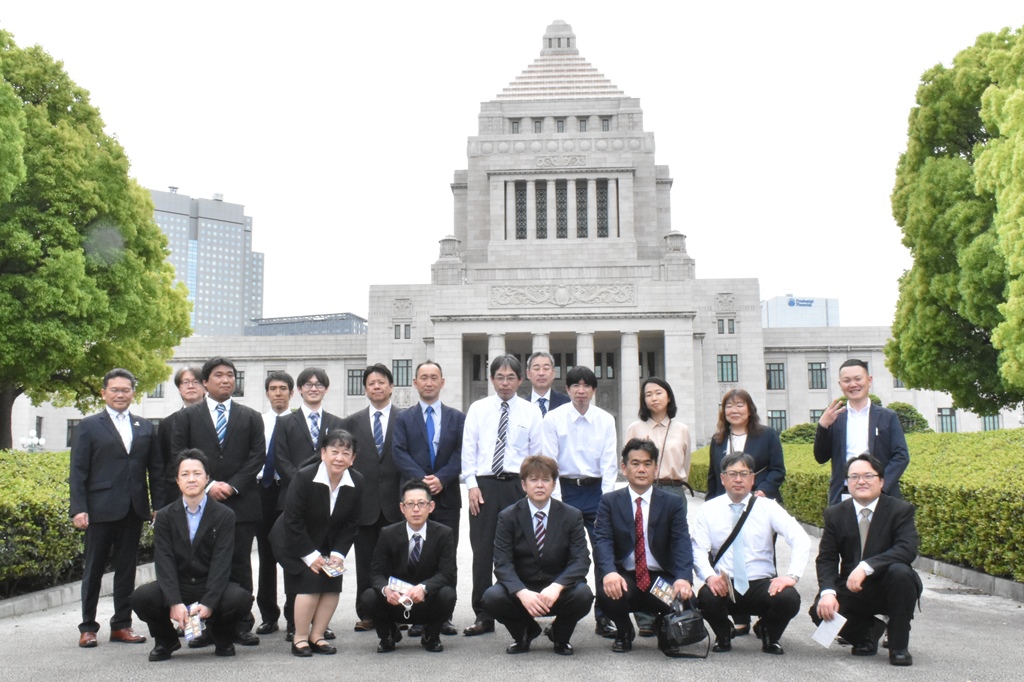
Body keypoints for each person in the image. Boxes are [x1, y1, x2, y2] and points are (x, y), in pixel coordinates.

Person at [171, 357, 266, 646]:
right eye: (219, 375)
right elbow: (178, 454)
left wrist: (233, 486)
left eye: (230, 375)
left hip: (242, 503)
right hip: (199, 504)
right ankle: (202, 628)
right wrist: (209, 484)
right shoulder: (187, 417)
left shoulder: (251, 416)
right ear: (205, 382)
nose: (226, 380)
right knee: (202, 567)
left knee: (240, 564)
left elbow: (257, 456)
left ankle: (242, 624)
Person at [70, 368, 165, 648]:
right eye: (115, 390)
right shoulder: (89, 426)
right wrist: (78, 508)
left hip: (134, 509)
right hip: (99, 509)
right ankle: (88, 627)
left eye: (126, 390)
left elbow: (156, 470)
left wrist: (158, 506)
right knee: (94, 569)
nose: (120, 394)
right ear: (104, 393)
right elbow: (78, 471)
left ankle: (121, 625)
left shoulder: (145, 426)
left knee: (126, 570)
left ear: (133, 393)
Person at [131, 451, 254, 661]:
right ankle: (166, 640)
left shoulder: (224, 515)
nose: (191, 479)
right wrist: (174, 601)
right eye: (185, 474)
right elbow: (164, 561)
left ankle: (221, 635)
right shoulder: (165, 517)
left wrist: (209, 602)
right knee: (141, 597)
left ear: (207, 478)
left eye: (197, 473)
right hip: (179, 583)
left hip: (209, 582)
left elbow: (222, 561)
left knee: (240, 599)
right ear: (177, 480)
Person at [691, 452, 809, 655]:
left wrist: (792, 576)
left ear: (752, 478)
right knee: (705, 597)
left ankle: (769, 633)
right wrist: (710, 577)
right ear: (723, 478)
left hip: (761, 583)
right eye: (732, 473)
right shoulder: (708, 509)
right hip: (726, 583)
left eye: (744, 474)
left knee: (789, 598)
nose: (738, 479)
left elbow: (800, 538)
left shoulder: (768, 507)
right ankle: (724, 634)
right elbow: (697, 549)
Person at [811, 454, 922, 666]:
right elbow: (827, 558)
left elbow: (906, 549)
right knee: (821, 612)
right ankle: (866, 635)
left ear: (881, 481)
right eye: (854, 477)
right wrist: (828, 592)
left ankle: (899, 646)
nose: (861, 481)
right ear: (847, 482)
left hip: (889, 585)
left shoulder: (900, 510)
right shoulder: (835, 514)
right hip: (853, 588)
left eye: (868, 476)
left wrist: (867, 566)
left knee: (901, 573)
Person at [461, 354, 544, 636]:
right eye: (500, 377)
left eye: (510, 377)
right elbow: (469, 449)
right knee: (482, 551)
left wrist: (532, 490)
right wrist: (471, 485)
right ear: (491, 379)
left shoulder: (531, 412)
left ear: (520, 380)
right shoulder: (478, 409)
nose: (505, 383)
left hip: (516, 486)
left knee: (520, 550)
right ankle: (483, 614)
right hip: (484, 487)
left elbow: (536, 454)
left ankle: (519, 609)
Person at [482, 455, 593, 656]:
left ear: (554, 484)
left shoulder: (571, 515)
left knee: (583, 594)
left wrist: (557, 586)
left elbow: (581, 560)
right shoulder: (508, 517)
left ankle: (560, 635)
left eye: (545, 480)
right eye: (533, 480)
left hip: (557, 589)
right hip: (523, 589)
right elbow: (502, 563)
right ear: (524, 485)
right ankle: (525, 632)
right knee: (492, 597)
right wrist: (521, 592)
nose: (540, 485)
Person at [594, 438, 694, 656]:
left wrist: (683, 578)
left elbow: (681, 542)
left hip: (659, 580)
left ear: (655, 468)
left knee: (684, 599)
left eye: (648, 464)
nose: (641, 469)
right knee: (607, 593)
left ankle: (664, 626)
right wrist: (609, 572)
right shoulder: (610, 501)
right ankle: (624, 631)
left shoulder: (671, 503)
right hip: (626, 578)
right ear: (624, 468)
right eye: (635, 463)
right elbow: (602, 540)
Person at [270, 430, 363, 657]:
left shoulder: (357, 481)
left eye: (346, 453)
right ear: (323, 453)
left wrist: (338, 554)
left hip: (326, 542)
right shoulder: (304, 477)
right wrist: (310, 556)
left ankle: (317, 636)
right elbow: (293, 520)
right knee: (309, 580)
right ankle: (300, 638)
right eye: (334, 452)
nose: (339, 458)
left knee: (333, 579)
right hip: (292, 540)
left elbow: (352, 523)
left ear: (353, 458)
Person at [541, 366, 617, 638]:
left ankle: (604, 616)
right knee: (564, 554)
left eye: (586, 385)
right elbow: (549, 462)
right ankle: (562, 614)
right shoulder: (553, 418)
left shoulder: (605, 419)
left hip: (596, 491)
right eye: (575, 385)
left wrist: (606, 502)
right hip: (566, 490)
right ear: (568, 389)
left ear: (594, 390)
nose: (581, 391)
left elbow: (609, 464)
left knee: (603, 553)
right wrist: (557, 502)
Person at [392, 360, 465, 636]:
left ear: (442, 382)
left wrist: (442, 478)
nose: (429, 382)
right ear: (415, 383)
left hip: (447, 498)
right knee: (415, 555)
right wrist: (422, 483)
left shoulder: (457, 418)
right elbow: (399, 452)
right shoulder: (403, 418)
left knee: (446, 556)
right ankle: (417, 616)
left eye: (434, 377)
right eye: (424, 377)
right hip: (415, 499)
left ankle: (443, 616)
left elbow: (462, 453)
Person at [707, 388, 786, 637]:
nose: (735, 410)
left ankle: (766, 613)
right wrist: (711, 505)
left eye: (740, 405)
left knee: (761, 555)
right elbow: (713, 476)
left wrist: (762, 491)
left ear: (749, 409)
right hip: (728, 507)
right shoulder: (718, 440)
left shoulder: (767, 435)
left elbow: (778, 470)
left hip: (758, 505)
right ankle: (739, 615)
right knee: (729, 555)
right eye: (729, 406)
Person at [624, 377, 692, 636]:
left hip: (672, 489)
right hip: (643, 490)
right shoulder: (635, 427)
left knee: (670, 549)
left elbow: (686, 463)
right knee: (641, 546)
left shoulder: (682, 429)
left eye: (658, 392)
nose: (653, 398)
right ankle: (644, 617)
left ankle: (668, 606)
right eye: (648, 394)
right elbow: (629, 462)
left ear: (669, 396)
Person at [358, 480, 457, 654]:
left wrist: (424, 588)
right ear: (402, 508)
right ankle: (388, 635)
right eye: (410, 504)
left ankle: (431, 635)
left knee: (447, 594)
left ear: (431, 506)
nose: (416, 509)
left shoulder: (444, 533)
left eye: (421, 504)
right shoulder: (388, 533)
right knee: (368, 597)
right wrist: (386, 590)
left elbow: (447, 573)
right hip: (396, 601)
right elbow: (375, 573)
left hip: (426, 600)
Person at [343, 363, 404, 632]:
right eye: (371, 383)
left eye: (381, 382)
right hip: (364, 503)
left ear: (391, 387)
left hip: (396, 503)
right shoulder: (351, 422)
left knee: (397, 560)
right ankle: (367, 612)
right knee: (365, 561)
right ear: (365, 389)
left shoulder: (405, 418)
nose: (376, 387)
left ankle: (400, 611)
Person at [814, 359, 910, 505]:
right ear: (840, 384)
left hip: (881, 495)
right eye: (847, 380)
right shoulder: (834, 417)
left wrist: (881, 485)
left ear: (869, 380)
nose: (853, 384)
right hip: (844, 495)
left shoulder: (887, 417)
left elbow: (901, 456)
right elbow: (821, 457)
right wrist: (823, 427)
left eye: (858, 379)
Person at [254, 371, 293, 637]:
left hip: (290, 489)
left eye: (283, 388)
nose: (278, 393)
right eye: (273, 388)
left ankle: (295, 615)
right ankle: (268, 615)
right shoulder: (257, 422)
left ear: (292, 392)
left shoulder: (298, 423)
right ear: (267, 393)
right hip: (262, 490)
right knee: (266, 555)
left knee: (292, 554)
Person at [157, 366, 205, 489]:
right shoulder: (166, 424)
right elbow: (162, 463)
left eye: (196, 382)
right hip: (176, 490)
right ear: (179, 389)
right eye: (185, 382)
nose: (191, 386)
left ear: (205, 387)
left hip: (212, 489)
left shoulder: (217, 420)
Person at [526, 351, 570, 416]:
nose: (541, 373)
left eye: (546, 368)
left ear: (553, 373)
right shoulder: (521, 406)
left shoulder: (567, 403)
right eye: (536, 369)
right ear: (528, 374)